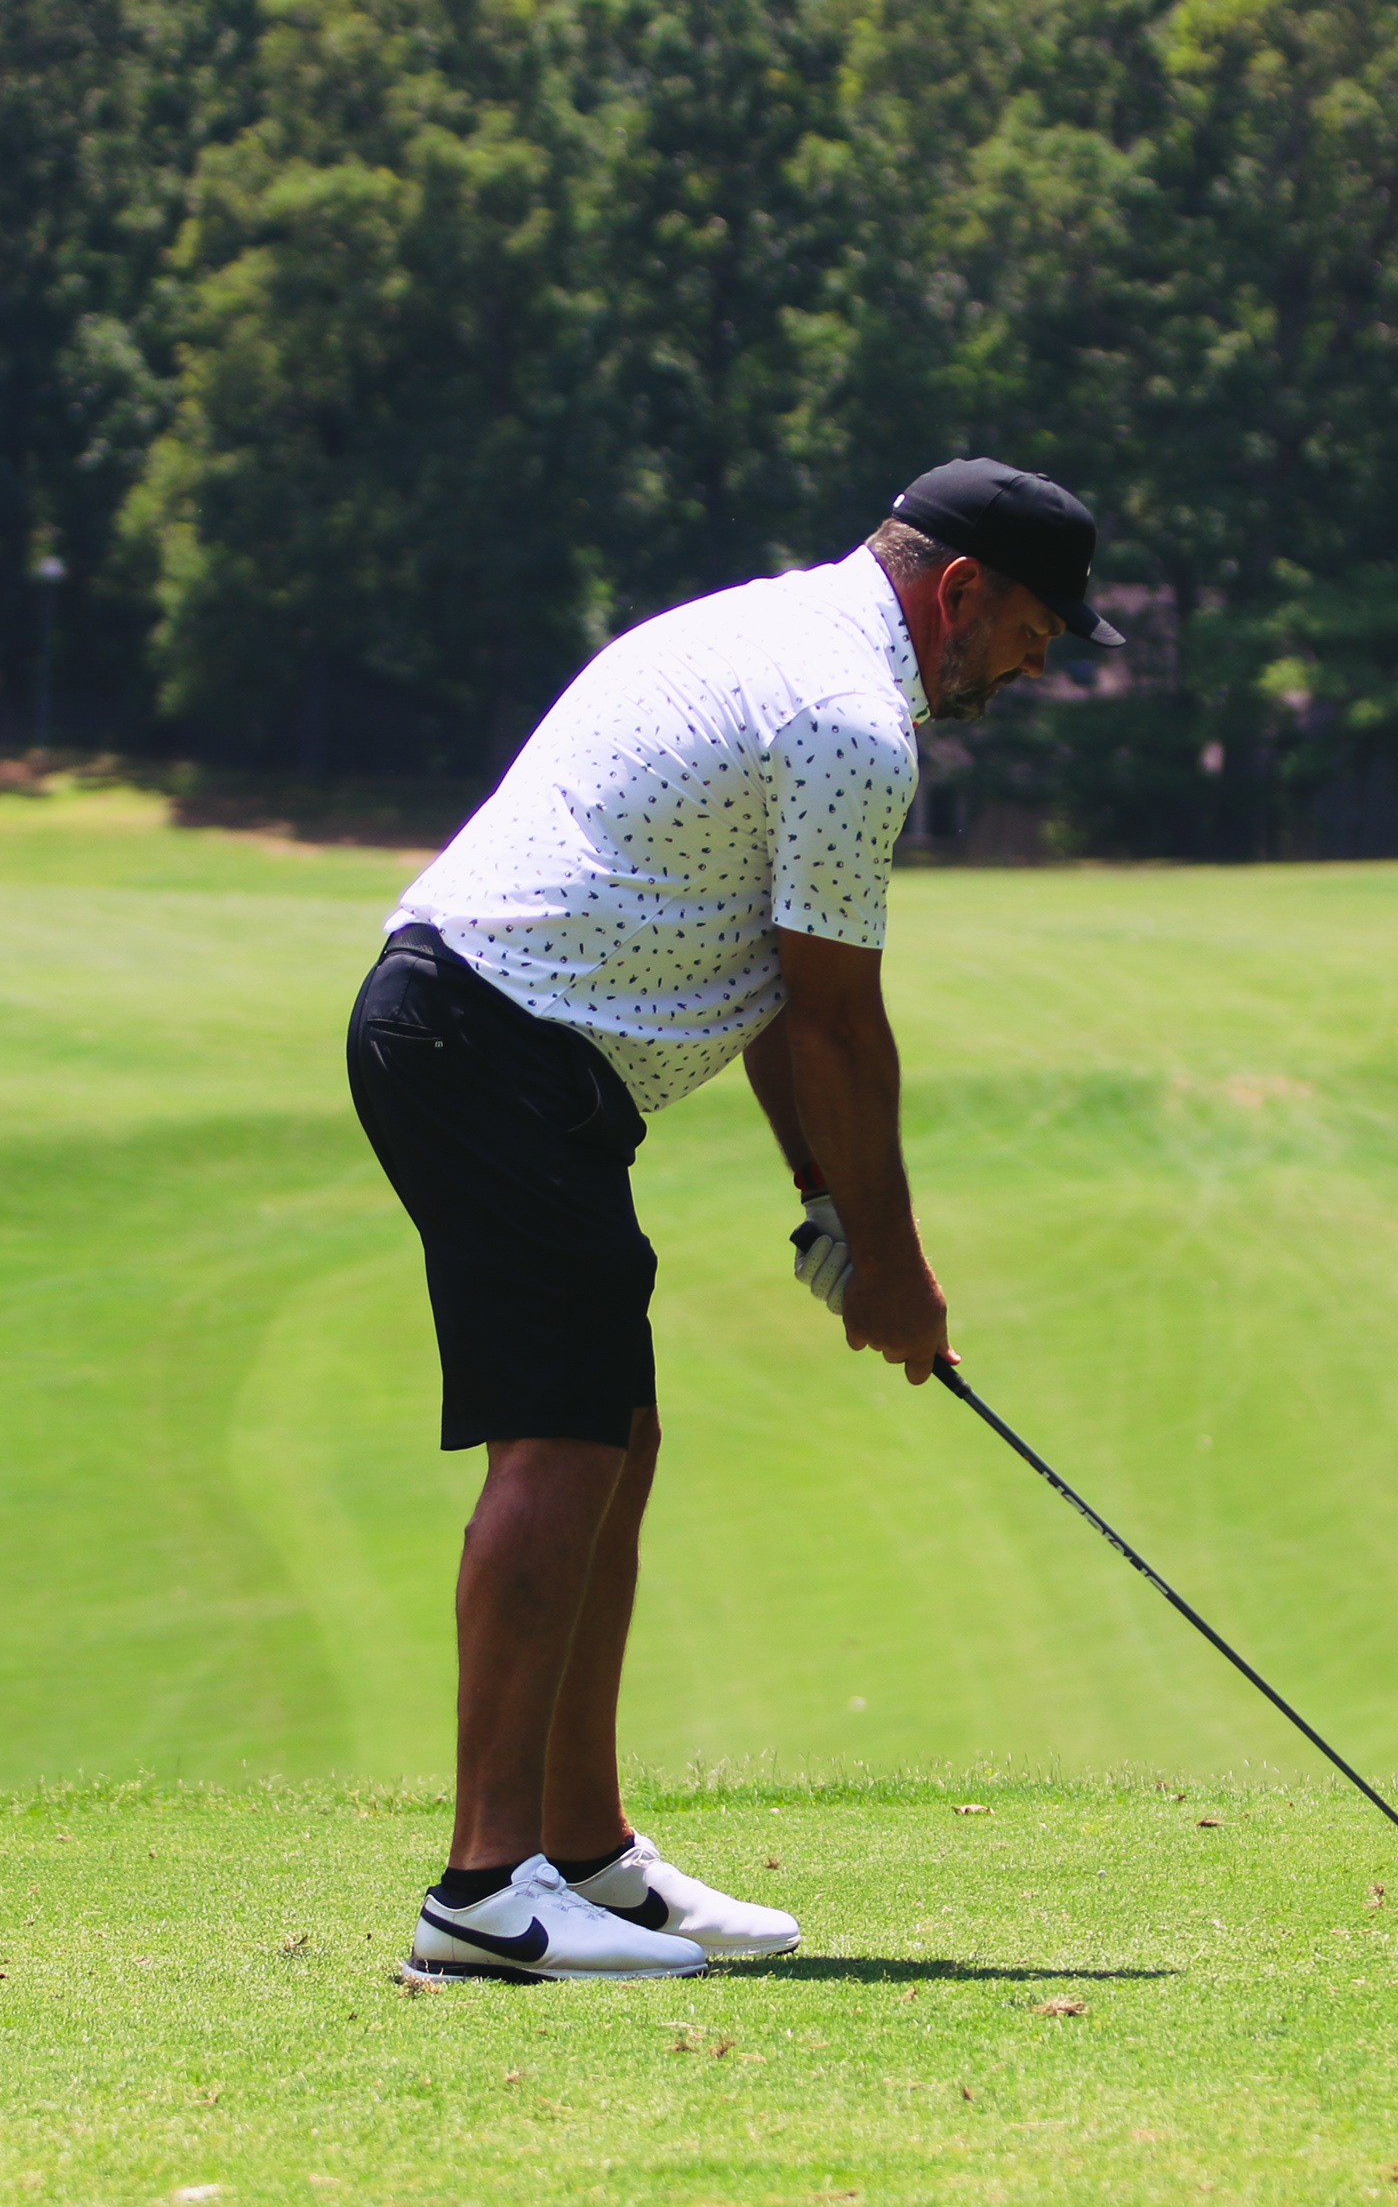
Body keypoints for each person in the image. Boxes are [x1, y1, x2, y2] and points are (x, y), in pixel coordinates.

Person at [347, 459, 1120, 1984]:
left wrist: (828, 1203)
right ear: (961, 591)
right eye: (1034, 633)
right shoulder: (847, 717)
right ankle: (484, 1894)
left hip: (492, 1045)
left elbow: (778, 991)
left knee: (612, 1438)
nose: (1034, 667)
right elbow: (835, 1021)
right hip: (491, 1044)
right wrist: (893, 1270)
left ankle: (584, 1853)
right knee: (559, 1446)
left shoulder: (771, 632)